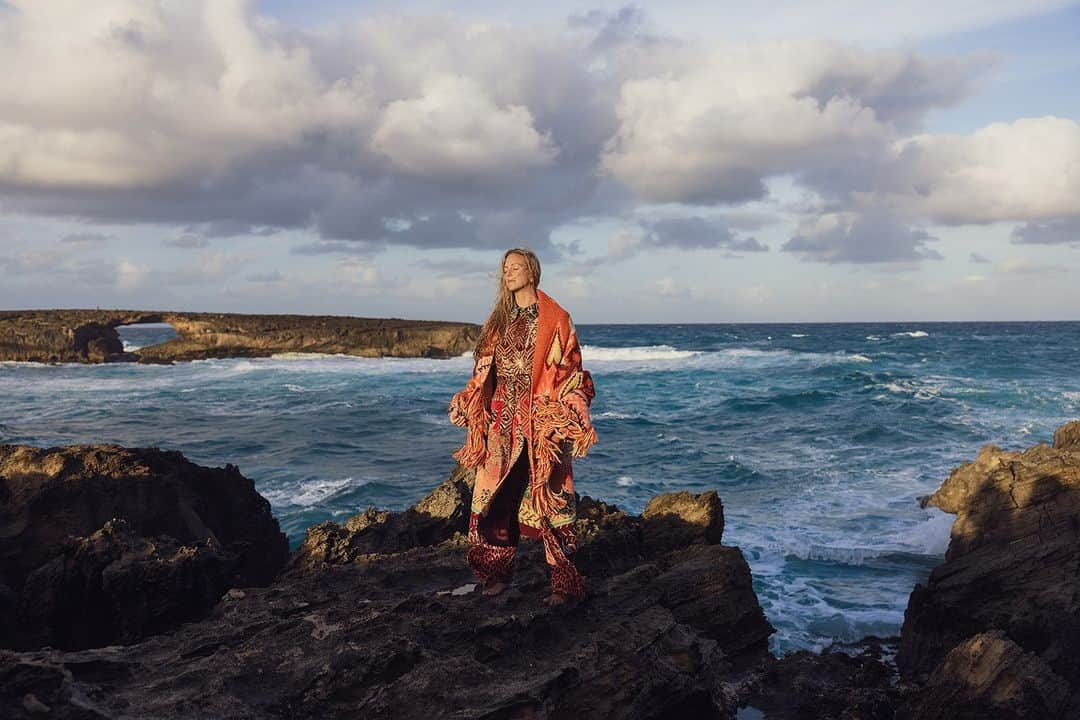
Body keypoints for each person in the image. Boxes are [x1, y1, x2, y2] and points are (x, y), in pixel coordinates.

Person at [448, 248, 597, 606]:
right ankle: (495, 575)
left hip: (540, 423)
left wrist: (567, 411)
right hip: (501, 421)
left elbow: (571, 370)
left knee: (552, 497)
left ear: (532, 272)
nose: (508, 273)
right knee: (494, 496)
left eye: (515, 267)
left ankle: (563, 583)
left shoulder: (556, 318)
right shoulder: (498, 320)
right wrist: (470, 400)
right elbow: (483, 372)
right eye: (505, 268)